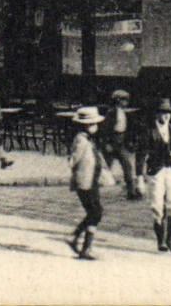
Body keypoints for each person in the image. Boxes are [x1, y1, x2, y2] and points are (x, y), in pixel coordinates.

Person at [141, 97, 171, 252]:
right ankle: (161, 241)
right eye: (163, 113)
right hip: (156, 171)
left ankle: (170, 240)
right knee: (157, 206)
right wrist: (140, 175)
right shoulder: (149, 131)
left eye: (168, 113)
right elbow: (142, 152)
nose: (166, 116)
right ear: (156, 115)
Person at [67, 105, 106, 260]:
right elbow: (73, 160)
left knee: (94, 212)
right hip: (85, 182)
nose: (95, 127)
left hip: (91, 180)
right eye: (93, 124)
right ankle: (84, 246)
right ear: (86, 125)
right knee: (96, 212)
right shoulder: (82, 140)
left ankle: (77, 239)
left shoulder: (86, 139)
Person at [104, 89, 140, 199]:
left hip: (122, 140)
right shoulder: (111, 112)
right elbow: (106, 129)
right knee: (105, 167)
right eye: (124, 100)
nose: (126, 102)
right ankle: (92, 188)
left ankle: (132, 191)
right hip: (113, 139)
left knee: (127, 166)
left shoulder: (125, 112)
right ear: (118, 100)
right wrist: (107, 143)